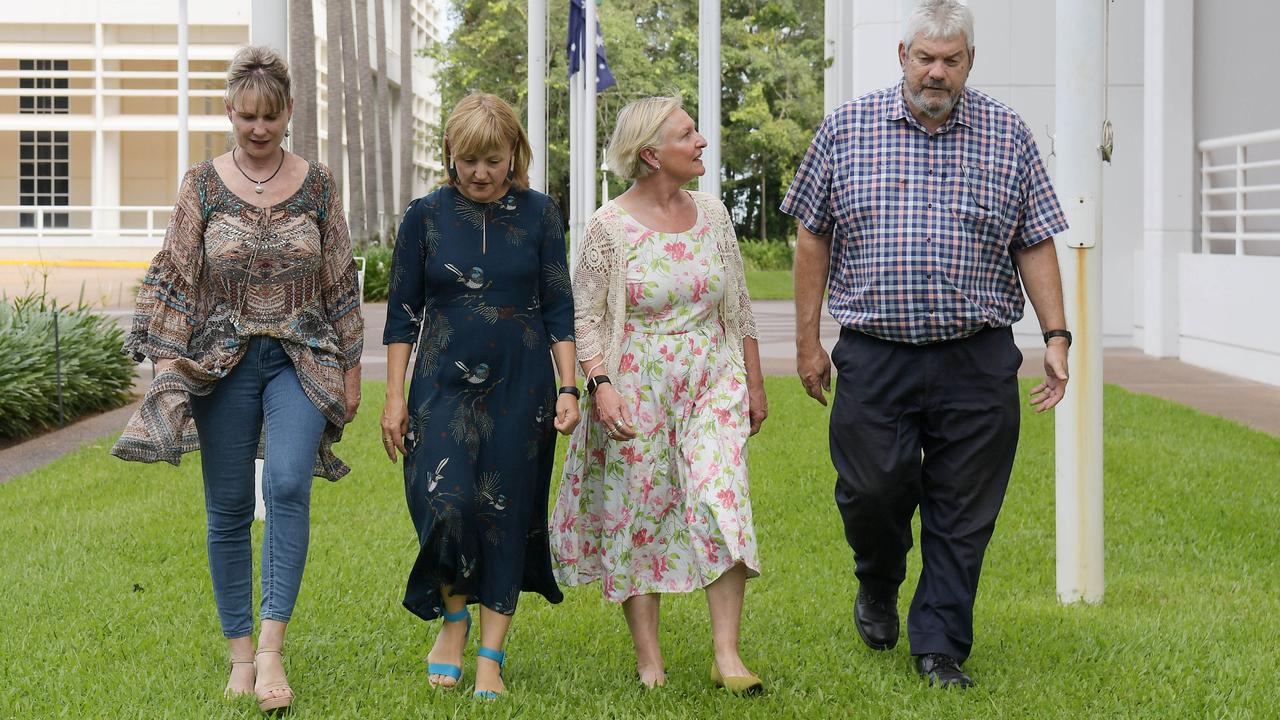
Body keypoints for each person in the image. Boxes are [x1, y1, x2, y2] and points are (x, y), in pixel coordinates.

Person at [780, 0, 1071, 689]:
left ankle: (939, 645)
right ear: (902, 55)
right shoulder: (847, 130)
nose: (936, 72)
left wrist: (1056, 335)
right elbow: (811, 235)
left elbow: (1035, 239)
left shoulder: (1008, 135)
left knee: (964, 509)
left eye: (952, 60)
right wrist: (807, 343)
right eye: (925, 58)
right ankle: (878, 578)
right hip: (875, 354)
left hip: (977, 356)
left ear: (971, 62)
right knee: (870, 490)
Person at [110, 46, 363, 712]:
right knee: (225, 512)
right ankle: (241, 657)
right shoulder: (202, 184)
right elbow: (175, 269)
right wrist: (165, 362)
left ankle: (274, 649)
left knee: (286, 483)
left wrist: (354, 365)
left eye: (269, 117)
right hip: (219, 362)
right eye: (246, 116)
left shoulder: (319, 184)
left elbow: (340, 276)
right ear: (229, 111)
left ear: (288, 114)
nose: (257, 129)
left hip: (301, 357)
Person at [551, 96, 768, 694]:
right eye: (687, 134)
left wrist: (752, 382)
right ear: (651, 153)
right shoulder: (608, 227)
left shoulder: (716, 215)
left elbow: (740, 306)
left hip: (710, 379)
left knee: (722, 498)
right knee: (639, 513)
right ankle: (650, 661)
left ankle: (728, 654)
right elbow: (586, 318)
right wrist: (600, 385)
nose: (701, 142)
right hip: (635, 385)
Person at [380, 93, 580, 700]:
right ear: (450, 155)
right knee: (449, 504)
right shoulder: (425, 216)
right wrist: (395, 398)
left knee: (506, 515)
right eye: (468, 160)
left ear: (513, 154)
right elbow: (401, 316)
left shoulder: (542, 215)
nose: (480, 173)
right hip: (440, 385)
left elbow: (558, 307)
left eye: (493, 159)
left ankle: (490, 654)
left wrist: (569, 386)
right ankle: (454, 619)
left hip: (523, 390)